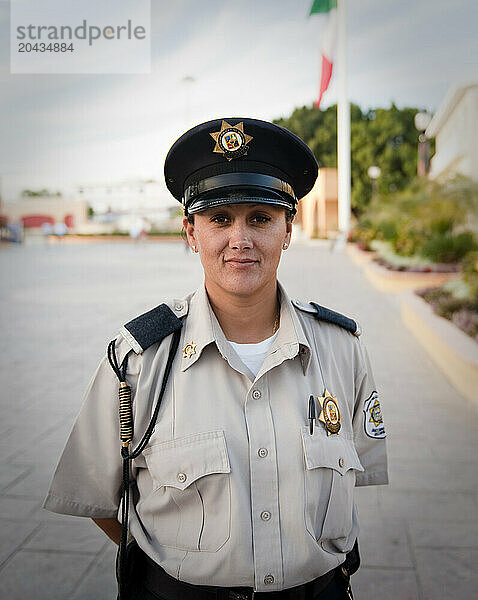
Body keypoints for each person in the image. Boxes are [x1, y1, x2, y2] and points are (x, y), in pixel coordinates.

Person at [44, 118, 389, 600]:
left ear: (288, 229)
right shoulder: (140, 359)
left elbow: (357, 480)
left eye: (261, 218)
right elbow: (98, 497)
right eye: (220, 219)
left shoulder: (341, 349)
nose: (240, 240)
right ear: (191, 231)